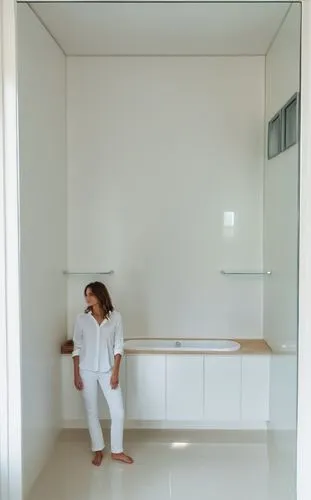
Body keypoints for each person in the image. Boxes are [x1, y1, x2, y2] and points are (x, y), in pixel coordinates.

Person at [72, 281, 133, 466]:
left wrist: (115, 372)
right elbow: (77, 347)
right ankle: (98, 450)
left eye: (90, 294)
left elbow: (118, 346)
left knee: (118, 412)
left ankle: (117, 451)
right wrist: (76, 374)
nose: (87, 298)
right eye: (86, 294)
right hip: (86, 370)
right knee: (92, 412)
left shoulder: (116, 317)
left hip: (108, 370)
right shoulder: (81, 319)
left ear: (100, 295)